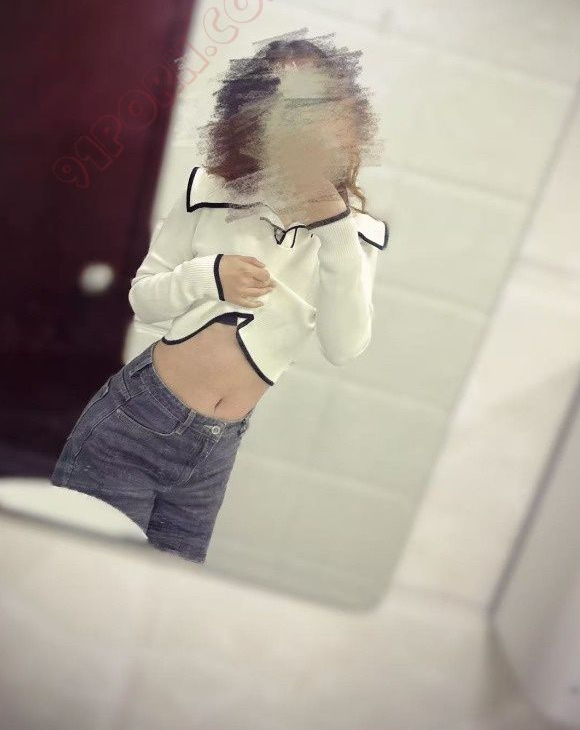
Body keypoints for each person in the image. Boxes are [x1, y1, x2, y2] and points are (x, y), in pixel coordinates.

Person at [50, 36, 389, 563]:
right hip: (135, 422)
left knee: (160, 594)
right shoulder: (209, 192)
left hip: (214, 452)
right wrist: (207, 276)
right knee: (81, 575)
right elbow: (144, 301)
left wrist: (336, 231)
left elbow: (344, 347)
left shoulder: (355, 237)